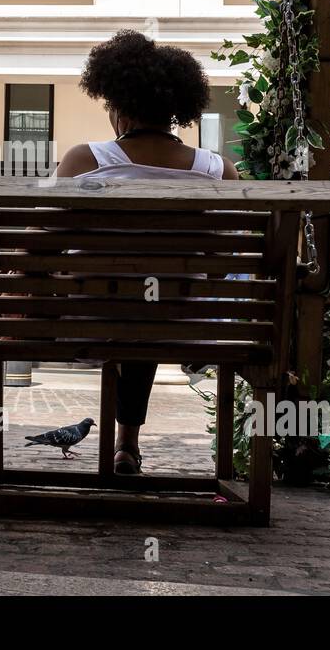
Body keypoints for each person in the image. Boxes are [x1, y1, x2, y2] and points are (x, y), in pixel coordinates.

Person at [54, 29, 238, 475]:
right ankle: (127, 445)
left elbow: (45, 243)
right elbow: (227, 263)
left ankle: (124, 445)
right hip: (183, 323)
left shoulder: (83, 159)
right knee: (152, 308)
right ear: (177, 109)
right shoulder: (218, 170)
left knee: (126, 308)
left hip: (93, 319)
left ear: (116, 105)